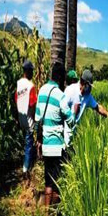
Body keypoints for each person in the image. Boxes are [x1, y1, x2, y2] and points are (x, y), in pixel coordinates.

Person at [35, 63, 75, 206]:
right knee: (57, 180)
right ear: (61, 77)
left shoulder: (42, 91)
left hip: (45, 143)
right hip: (57, 145)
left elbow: (37, 118)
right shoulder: (60, 95)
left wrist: (38, 140)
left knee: (47, 180)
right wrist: (74, 126)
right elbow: (70, 118)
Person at [64, 69, 108, 146]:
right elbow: (61, 109)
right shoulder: (70, 90)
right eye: (89, 86)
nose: (90, 89)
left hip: (73, 136)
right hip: (63, 136)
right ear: (84, 83)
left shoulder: (87, 96)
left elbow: (98, 107)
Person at [15, 60, 37, 178]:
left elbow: (15, 100)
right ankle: (26, 170)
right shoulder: (30, 86)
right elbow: (33, 104)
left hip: (20, 118)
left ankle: (25, 164)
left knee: (25, 143)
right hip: (28, 120)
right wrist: (35, 119)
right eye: (32, 71)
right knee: (29, 145)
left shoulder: (18, 84)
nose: (33, 73)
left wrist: (17, 119)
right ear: (27, 71)